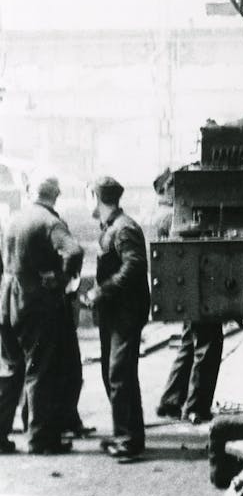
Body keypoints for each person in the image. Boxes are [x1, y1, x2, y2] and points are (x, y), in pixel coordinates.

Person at [0, 175, 83, 454]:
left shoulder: (14, 219)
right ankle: (40, 438)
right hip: (34, 303)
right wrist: (60, 279)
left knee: (11, 369)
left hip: (7, 300)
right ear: (55, 196)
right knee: (40, 369)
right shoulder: (49, 222)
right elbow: (73, 251)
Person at [151, 168, 223, 424]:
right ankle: (195, 407)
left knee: (189, 344)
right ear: (165, 190)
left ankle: (170, 401)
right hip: (194, 288)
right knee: (207, 344)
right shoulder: (169, 216)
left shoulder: (162, 214)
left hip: (188, 290)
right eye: (174, 185)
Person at [86, 176, 150, 462]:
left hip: (125, 312)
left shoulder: (124, 229)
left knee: (120, 374)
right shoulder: (112, 227)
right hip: (114, 311)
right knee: (113, 373)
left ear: (98, 198)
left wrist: (103, 290)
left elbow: (134, 266)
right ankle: (123, 432)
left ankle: (129, 440)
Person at [156, 322, 224, 424]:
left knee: (190, 341)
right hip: (205, 306)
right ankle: (196, 407)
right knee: (208, 342)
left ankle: (171, 401)